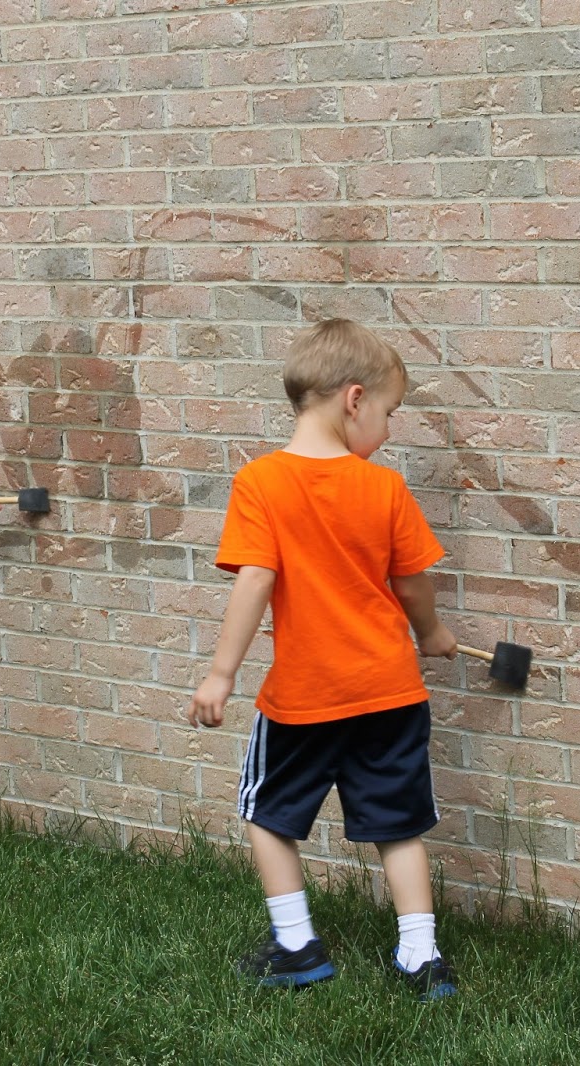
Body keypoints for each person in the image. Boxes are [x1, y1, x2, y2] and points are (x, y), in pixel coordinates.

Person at [189, 318, 459, 1000]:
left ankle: (297, 946)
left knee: (268, 816)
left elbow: (255, 579)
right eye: (391, 414)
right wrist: (431, 635)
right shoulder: (385, 489)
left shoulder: (262, 482)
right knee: (397, 827)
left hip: (306, 698)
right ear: (354, 399)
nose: (389, 431)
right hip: (391, 693)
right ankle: (420, 957)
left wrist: (220, 674)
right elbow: (412, 584)